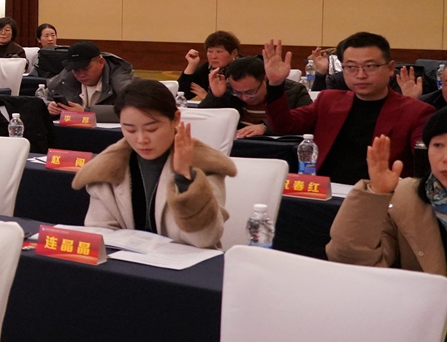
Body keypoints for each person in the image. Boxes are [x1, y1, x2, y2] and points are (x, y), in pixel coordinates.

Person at [73, 80, 236, 248]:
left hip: (186, 262)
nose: (141, 139)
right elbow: (99, 232)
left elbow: (204, 239)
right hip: (127, 262)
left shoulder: (204, 164)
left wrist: (185, 179)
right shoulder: (106, 168)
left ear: (176, 119)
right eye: (130, 130)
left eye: (152, 129)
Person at [263, 34, 434, 185]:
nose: (360, 75)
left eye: (370, 66)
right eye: (351, 67)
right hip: (325, 191)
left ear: (390, 68)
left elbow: (426, 164)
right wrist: (275, 84)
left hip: (378, 196)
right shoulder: (329, 100)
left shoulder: (416, 112)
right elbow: (283, 125)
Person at [328, 124, 447, 274]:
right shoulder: (407, 198)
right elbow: (350, 261)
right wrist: (375, 194)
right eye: (438, 145)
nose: (445, 158)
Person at [186, 56, 312, 137]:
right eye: (238, 93)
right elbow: (201, 124)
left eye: (250, 92)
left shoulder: (294, 91)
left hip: (278, 150)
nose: (245, 98)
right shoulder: (227, 89)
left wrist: (266, 127)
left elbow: (308, 124)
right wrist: (215, 96)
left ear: (265, 79)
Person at [43, 41, 135, 122]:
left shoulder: (121, 80)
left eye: (85, 69)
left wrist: (85, 112)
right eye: (76, 70)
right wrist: (50, 107)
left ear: (101, 62)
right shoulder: (67, 75)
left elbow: (135, 109)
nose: (81, 75)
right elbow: (43, 94)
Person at [179, 31, 240, 102]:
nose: (213, 56)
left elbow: (238, 102)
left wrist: (207, 98)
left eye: (219, 52)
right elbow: (181, 94)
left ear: (234, 53)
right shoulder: (207, 69)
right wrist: (191, 65)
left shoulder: (243, 69)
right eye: (210, 52)